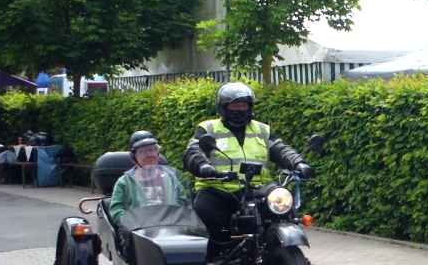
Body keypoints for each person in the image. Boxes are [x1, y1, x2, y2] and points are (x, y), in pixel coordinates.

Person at [183, 82, 313, 242]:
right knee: (205, 212)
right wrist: (203, 166)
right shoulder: (208, 128)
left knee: (283, 207)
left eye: (243, 105)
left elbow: (280, 149)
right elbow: (193, 150)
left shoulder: (262, 130)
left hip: (258, 190)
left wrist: (298, 162)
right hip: (219, 189)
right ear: (223, 107)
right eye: (235, 105)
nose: (239, 109)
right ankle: (210, 259)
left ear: (250, 107)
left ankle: (275, 244)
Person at [109, 131, 187, 227]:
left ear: (158, 153)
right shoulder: (125, 182)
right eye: (143, 151)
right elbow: (116, 210)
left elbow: (185, 203)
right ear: (134, 156)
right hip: (139, 230)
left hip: (172, 227)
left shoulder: (173, 176)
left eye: (152, 150)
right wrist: (132, 222)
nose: (149, 155)